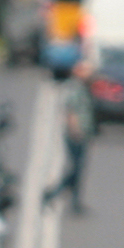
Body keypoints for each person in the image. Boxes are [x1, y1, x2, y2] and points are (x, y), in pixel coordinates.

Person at [43, 61, 95, 214]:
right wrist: (75, 130)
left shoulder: (84, 88)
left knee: (78, 170)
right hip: (76, 134)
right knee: (75, 169)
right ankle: (53, 193)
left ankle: (74, 201)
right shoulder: (75, 88)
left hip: (83, 132)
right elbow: (70, 111)